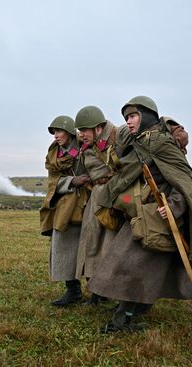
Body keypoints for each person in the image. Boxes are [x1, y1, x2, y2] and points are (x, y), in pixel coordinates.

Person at [87, 96, 192, 332]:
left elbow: (185, 182)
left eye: (133, 116)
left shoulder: (162, 142)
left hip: (159, 218)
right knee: (141, 267)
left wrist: (173, 206)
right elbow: (118, 140)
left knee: (134, 267)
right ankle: (131, 311)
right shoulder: (138, 141)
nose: (129, 122)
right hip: (141, 215)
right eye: (127, 118)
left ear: (146, 116)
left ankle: (121, 321)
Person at [40, 115, 90, 306]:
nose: (55, 135)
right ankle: (73, 290)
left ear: (69, 132)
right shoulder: (54, 154)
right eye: (54, 132)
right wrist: (71, 181)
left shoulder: (86, 147)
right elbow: (53, 181)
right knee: (62, 245)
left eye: (59, 131)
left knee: (92, 247)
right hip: (65, 207)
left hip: (89, 202)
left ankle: (98, 291)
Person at [73, 105, 120, 305]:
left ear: (99, 128)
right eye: (79, 130)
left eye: (85, 130)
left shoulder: (117, 136)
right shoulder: (84, 144)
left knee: (109, 246)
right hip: (95, 196)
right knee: (90, 243)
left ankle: (116, 293)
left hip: (115, 195)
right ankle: (96, 291)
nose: (81, 135)